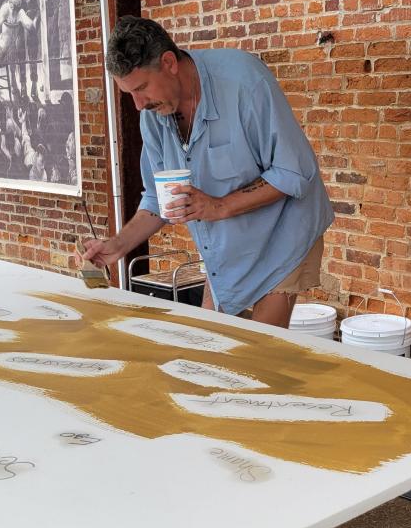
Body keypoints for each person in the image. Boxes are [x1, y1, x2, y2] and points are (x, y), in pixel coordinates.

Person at [81, 16, 334, 328]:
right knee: (210, 342)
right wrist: (117, 246)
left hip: (282, 234)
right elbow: (159, 200)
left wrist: (218, 205)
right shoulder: (153, 113)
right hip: (228, 246)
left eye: (142, 88)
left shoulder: (245, 82)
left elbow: (295, 171)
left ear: (169, 62)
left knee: (258, 353)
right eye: (128, 93)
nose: (138, 104)